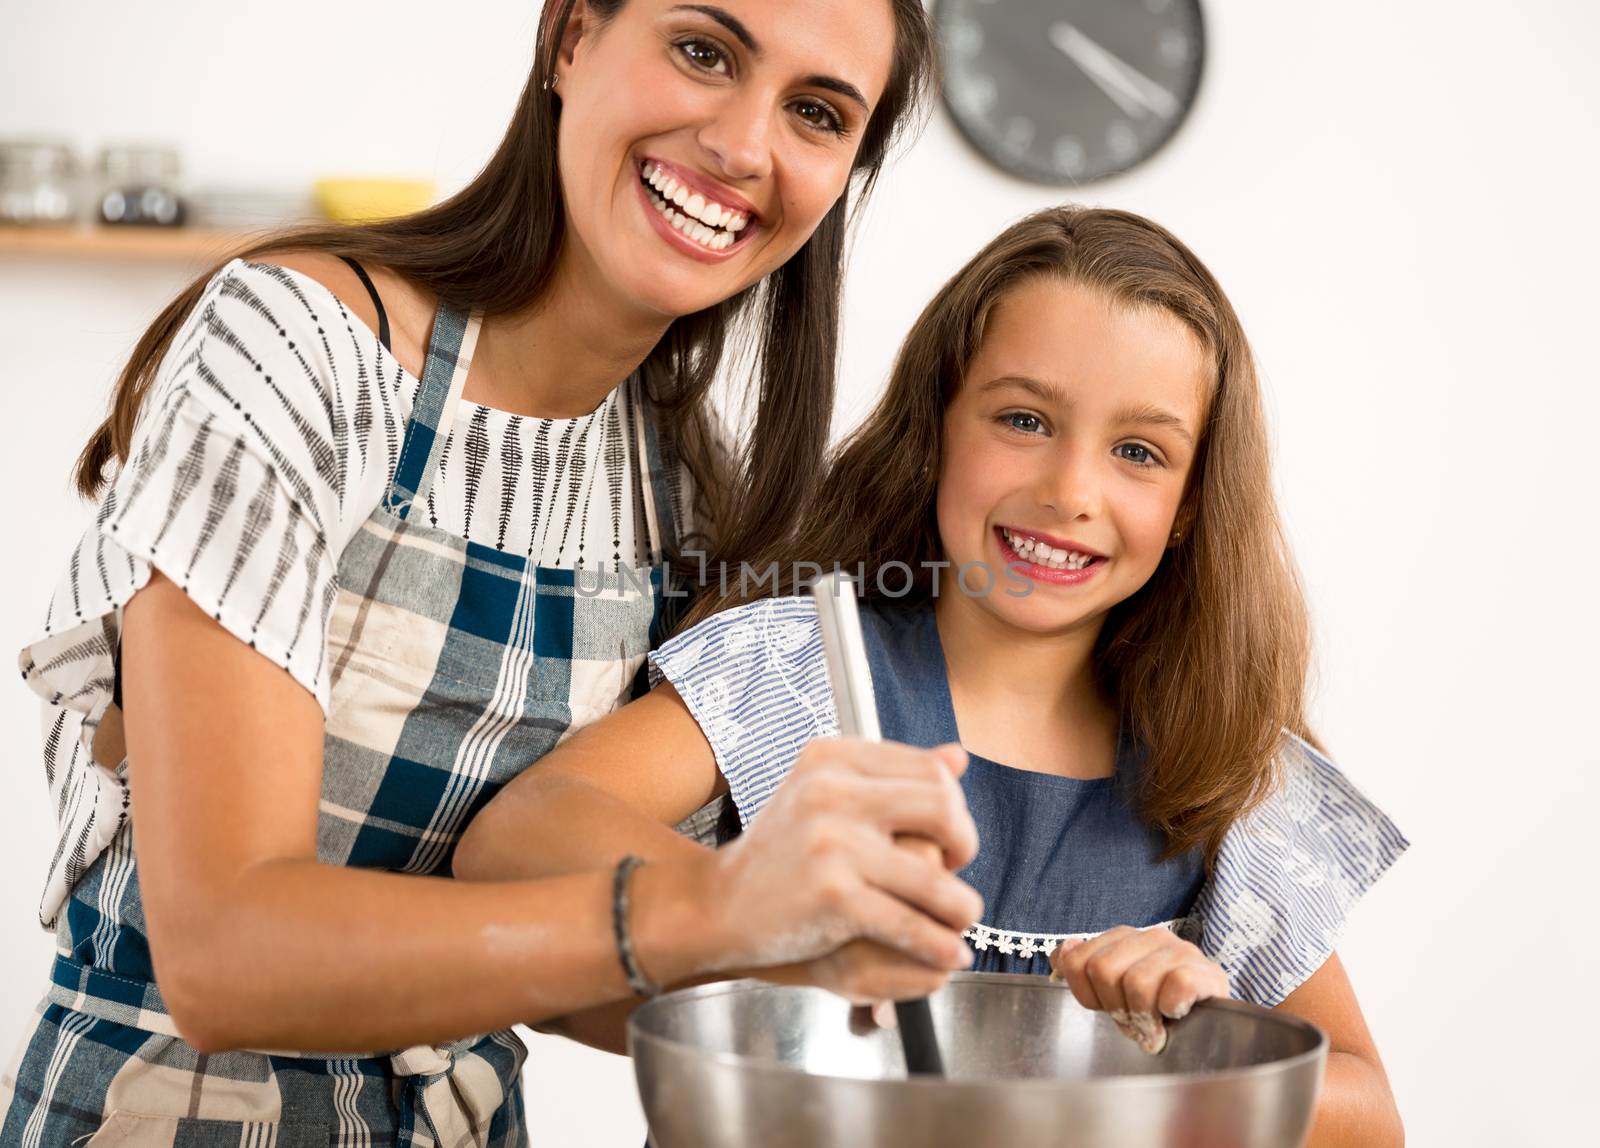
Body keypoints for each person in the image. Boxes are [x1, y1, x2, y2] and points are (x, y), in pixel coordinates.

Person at [0, 3, 982, 1143]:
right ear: (571, 39)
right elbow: (225, 954)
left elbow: (574, 969)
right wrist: (707, 904)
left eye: (816, 112)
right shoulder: (303, 346)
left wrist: (859, 977)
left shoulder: (683, 486)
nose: (745, 146)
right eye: (704, 51)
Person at [455, 207, 1410, 1144]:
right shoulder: (798, 672)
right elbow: (520, 835)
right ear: (939, 425)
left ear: (1193, 505)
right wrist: (766, 921)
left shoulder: (1219, 768)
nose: (1070, 492)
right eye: (1025, 419)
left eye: (1137, 452)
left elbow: (1371, 1121)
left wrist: (1204, 1049)